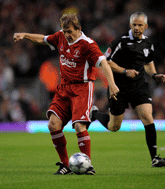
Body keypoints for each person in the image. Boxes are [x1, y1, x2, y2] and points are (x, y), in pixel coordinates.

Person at [13, 14, 119, 175]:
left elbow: (103, 63)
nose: (67, 35)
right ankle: (65, 165)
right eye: (64, 31)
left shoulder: (88, 44)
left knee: (78, 126)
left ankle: (87, 165)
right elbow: (43, 39)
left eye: (70, 31)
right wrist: (25, 35)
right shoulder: (61, 37)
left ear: (79, 29)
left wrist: (111, 85)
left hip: (82, 88)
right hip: (64, 88)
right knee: (53, 125)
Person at [91, 12, 165, 167]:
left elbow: (148, 62)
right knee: (114, 127)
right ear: (130, 25)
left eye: (140, 25)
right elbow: (106, 62)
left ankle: (154, 157)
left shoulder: (148, 43)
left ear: (146, 26)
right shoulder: (120, 41)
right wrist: (125, 71)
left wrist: (154, 75)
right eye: (134, 25)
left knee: (147, 117)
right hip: (118, 87)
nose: (137, 28)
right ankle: (94, 113)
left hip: (138, 86)